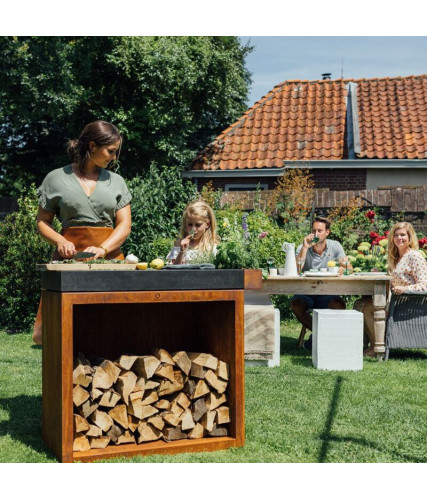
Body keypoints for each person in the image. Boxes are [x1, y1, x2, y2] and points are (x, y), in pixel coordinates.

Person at [33, 120, 132, 344]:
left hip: (110, 260)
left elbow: (124, 225)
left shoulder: (117, 182)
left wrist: (103, 248)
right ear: (92, 146)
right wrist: (60, 241)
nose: (114, 158)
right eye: (111, 151)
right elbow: (42, 222)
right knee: (64, 332)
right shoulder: (55, 178)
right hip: (69, 261)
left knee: (114, 331)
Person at [354, 221, 427, 357]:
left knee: (367, 308)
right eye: (396, 235)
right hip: (396, 301)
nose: (399, 238)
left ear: (410, 237)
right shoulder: (397, 257)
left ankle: (377, 346)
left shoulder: (414, 256)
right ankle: (370, 343)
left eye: (403, 235)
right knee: (359, 303)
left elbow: (424, 284)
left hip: (407, 304)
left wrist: (404, 289)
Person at [290, 216, 352, 349]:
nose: (316, 234)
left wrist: (344, 267)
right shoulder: (303, 247)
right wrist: (306, 247)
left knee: (339, 305)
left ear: (327, 232)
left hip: (327, 293)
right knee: (296, 305)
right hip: (305, 292)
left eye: (320, 231)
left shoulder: (335, 246)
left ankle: (316, 338)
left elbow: (349, 266)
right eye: (314, 231)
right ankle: (320, 334)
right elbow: (296, 269)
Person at [167, 200, 219, 264]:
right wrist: (181, 252)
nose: (193, 229)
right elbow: (173, 271)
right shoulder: (179, 244)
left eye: (198, 225)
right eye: (190, 224)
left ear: (207, 224)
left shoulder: (212, 246)